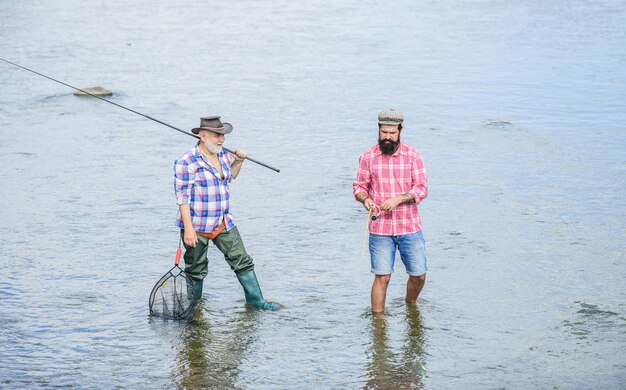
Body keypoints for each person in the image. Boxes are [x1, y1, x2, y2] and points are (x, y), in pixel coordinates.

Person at [174, 116, 279, 311]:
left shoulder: (222, 155)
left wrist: (239, 161)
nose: (221, 139)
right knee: (196, 270)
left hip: (223, 221)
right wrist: (188, 229)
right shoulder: (187, 161)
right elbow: (182, 197)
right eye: (217, 135)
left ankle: (257, 302)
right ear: (203, 135)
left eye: (223, 135)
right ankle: (193, 308)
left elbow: (231, 176)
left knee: (242, 261)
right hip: (197, 225)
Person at [353, 109, 428, 313]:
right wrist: (365, 200)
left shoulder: (413, 155)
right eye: (384, 132)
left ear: (400, 131)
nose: (387, 137)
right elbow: (359, 187)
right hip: (380, 228)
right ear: (379, 130)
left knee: (419, 275)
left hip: (409, 226)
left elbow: (422, 188)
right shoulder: (368, 156)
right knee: (382, 276)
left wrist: (399, 199)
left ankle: (410, 304)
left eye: (392, 133)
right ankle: (378, 326)